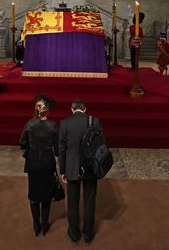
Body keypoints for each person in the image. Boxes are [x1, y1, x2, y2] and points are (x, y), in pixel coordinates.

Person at [59, 100, 102, 245]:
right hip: (90, 167)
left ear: (72, 109)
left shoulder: (65, 123)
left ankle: (74, 232)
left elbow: (62, 150)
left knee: (73, 201)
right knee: (90, 200)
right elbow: (100, 145)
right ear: (85, 109)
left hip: (72, 166)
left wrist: (63, 170)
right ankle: (88, 233)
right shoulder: (95, 121)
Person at [19, 94, 59, 237]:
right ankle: (45, 223)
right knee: (47, 194)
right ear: (47, 110)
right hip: (47, 162)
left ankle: (36, 224)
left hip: (33, 161)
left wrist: (31, 147)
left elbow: (22, 143)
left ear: (36, 109)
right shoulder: (53, 125)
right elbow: (58, 147)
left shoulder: (29, 124)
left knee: (34, 194)